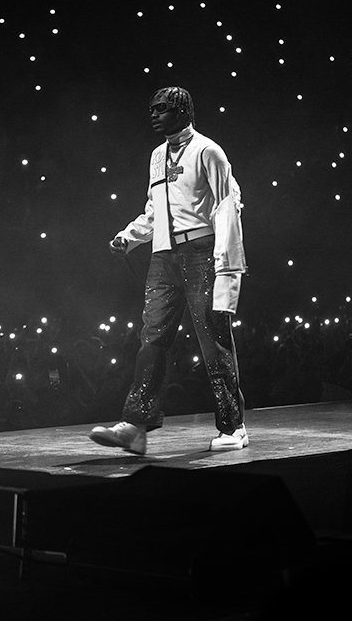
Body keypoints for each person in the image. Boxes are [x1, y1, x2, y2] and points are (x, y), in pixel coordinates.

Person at [89, 87, 247, 454]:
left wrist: (226, 266)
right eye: (151, 109)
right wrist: (129, 237)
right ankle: (136, 425)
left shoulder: (208, 151)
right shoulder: (157, 155)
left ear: (182, 111)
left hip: (201, 251)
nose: (154, 114)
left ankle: (233, 426)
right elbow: (154, 209)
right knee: (152, 337)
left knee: (213, 337)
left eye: (162, 109)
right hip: (164, 255)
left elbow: (228, 205)